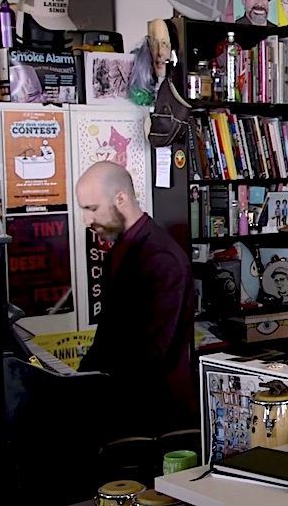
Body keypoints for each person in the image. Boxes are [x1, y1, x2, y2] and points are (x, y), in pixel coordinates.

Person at [76, 161, 197, 439]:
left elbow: (152, 353)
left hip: (157, 414)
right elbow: (108, 334)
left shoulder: (162, 258)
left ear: (121, 199)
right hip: (125, 400)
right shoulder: (122, 249)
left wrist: (96, 391)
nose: (86, 220)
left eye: (92, 209)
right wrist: (78, 381)